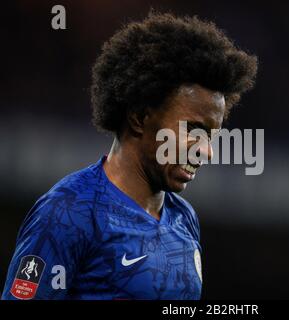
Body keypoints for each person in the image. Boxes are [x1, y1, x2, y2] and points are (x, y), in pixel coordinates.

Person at [1, 12, 257, 300]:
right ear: (139, 117)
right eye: (193, 130)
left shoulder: (184, 218)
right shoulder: (67, 213)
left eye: (211, 136)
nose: (206, 151)